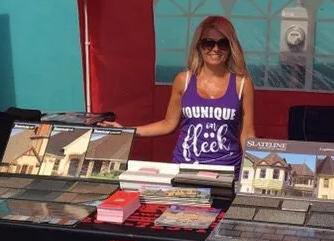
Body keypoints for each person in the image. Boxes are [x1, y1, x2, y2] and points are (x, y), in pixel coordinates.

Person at [105, 15, 255, 174]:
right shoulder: (183, 80)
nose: (215, 49)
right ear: (199, 46)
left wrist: (254, 167)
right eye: (208, 43)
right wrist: (128, 131)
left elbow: (247, 132)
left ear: (231, 47)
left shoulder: (243, 84)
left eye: (222, 43)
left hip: (227, 170)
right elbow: (168, 123)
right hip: (185, 168)